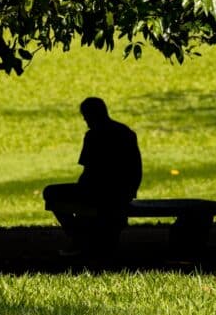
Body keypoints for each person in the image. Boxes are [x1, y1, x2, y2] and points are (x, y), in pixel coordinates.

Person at [43, 97, 142, 254]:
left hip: (98, 191)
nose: (85, 121)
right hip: (123, 192)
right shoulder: (126, 132)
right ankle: (87, 237)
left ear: (90, 115)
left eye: (86, 117)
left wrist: (81, 188)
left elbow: (89, 172)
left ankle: (78, 237)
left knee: (50, 193)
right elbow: (135, 168)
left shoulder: (93, 136)